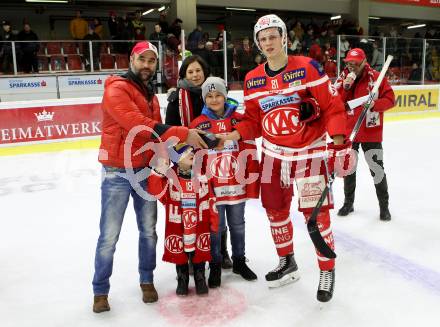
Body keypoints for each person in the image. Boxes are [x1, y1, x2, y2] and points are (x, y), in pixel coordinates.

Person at [217, 14, 350, 302]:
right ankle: (287, 260)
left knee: (317, 217)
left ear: (284, 38)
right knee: (275, 210)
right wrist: (235, 134)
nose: (268, 43)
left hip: (310, 152)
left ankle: (327, 269)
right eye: (262, 39)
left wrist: (338, 143)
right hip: (274, 156)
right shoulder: (253, 80)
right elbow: (254, 121)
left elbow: (333, 107)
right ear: (257, 44)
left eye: (273, 36)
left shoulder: (307, 67)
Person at [92, 41, 208, 313]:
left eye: (152, 61)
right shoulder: (116, 88)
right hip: (117, 172)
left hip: (145, 171)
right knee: (109, 236)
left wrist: (182, 155)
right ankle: (100, 290)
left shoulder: (152, 97)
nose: (147, 65)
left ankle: (147, 280)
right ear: (132, 59)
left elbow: (157, 141)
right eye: (142, 59)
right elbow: (135, 123)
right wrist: (183, 132)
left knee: (149, 232)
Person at [190, 77, 259, 288]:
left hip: (236, 185)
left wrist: (251, 179)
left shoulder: (239, 121)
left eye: (218, 94)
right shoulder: (197, 124)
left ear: (225, 95)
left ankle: (239, 261)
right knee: (216, 227)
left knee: (238, 224)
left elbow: (251, 146)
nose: (214, 99)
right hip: (213, 188)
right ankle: (216, 264)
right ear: (204, 98)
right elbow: (193, 156)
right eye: (209, 96)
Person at [148, 143, 218, 296]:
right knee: (180, 251)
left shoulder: (202, 175)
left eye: (191, 150)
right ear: (177, 158)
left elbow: (211, 198)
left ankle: (200, 278)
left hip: (199, 223)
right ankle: (182, 278)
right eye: (185, 152)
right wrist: (158, 171)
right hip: (178, 224)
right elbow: (155, 191)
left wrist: (214, 219)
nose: (191, 153)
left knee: (199, 250)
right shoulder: (170, 177)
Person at [335, 48, 395, 221]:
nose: (351, 66)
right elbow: (337, 102)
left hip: (371, 132)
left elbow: (391, 100)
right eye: (348, 63)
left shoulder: (376, 77)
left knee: (377, 170)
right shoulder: (343, 78)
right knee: (349, 170)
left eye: (355, 63)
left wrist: (375, 104)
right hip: (350, 131)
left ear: (363, 62)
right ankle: (348, 203)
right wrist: (346, 86)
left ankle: (384, 207)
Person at [165, 55, 210, 127]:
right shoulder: (177, 98)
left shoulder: (213, 91)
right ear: (184, 74)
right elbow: (169, 129)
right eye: (190, 72)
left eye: (198, 70)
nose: (195, 75)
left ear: (204, 71)